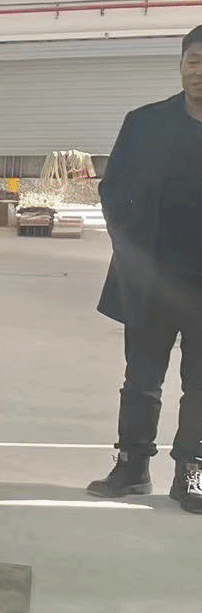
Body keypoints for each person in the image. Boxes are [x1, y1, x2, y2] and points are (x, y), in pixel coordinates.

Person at [89, 25, 202, 508]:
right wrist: (131, 254)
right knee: (141, 378)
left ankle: (193, 472)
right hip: (151, 279)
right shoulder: (144, 124)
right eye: (194, 61)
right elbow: (113, 191)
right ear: (181, 65)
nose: (199, 72)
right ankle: (132, 465)